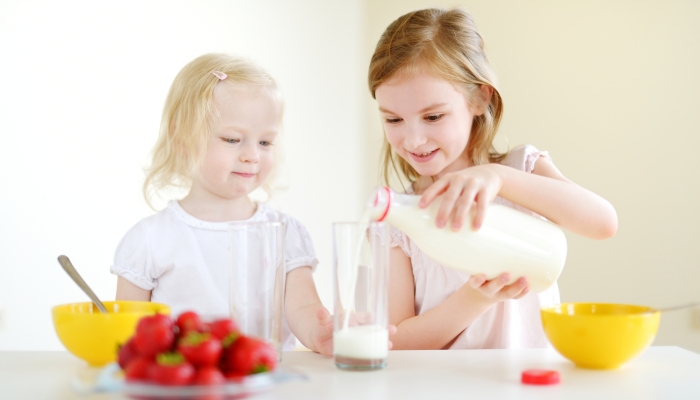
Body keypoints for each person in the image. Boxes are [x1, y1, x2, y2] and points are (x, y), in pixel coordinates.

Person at [368, 8, 618, 349]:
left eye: (433, 116)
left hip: (530, 383)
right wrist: (474, 299)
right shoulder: (401, 223)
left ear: (478, 98)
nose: (413, 140)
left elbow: (603, 223)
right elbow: (397, 341)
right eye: (394, 120)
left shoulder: (520, 171)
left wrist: (499, 177)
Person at [111, 54, 333, 355]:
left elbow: (304, 306)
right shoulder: (150, 239)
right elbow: (128, 333)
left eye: (265, 142)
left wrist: (321, 333)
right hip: (186, 384)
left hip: (265, 382)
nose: (252, 155)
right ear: (183, 140)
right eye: (232, 139)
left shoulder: (285, 233)